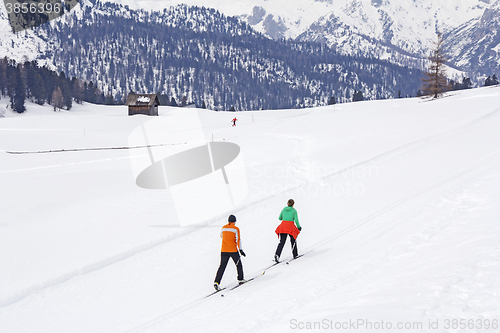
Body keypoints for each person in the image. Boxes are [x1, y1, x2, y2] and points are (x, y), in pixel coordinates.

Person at [214, 215, 246, 291]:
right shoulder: (236, 229)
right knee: (238, 264)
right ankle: (240, 279)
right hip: (233, 250)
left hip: (224, 250)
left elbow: (221, 236)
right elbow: (238, 240)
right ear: (234, 221)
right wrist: (240, 250)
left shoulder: (223, 228)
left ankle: (216, 282)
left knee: (222, 266)